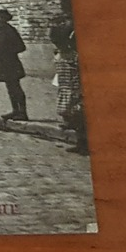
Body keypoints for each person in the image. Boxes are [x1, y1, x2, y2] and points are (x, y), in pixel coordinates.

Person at [50, 13, 88, 154]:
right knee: (73, 116)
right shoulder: (60, 54)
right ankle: (80, 142)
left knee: (80, 117)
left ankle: (84, 144)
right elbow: (59, 72)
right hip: (65, 87)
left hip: (75, 89)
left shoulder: (74, 56)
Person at [0, 9, 29, 121]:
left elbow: (21, 47)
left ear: (6, 19)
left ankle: (23, 113)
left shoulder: (10, 30)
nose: (0, 19)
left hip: (11, 63)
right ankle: (15, 110)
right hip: (2, 63)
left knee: (16, 87)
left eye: (3, 17)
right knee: (10, 88)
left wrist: (8, 52)